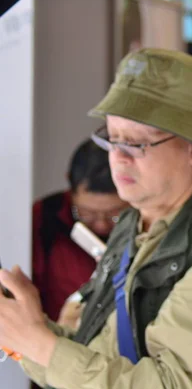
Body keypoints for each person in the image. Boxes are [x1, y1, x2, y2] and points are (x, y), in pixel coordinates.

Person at [0, 48, 192, 389]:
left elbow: (167, 384)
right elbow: (95, 352)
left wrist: (38, 343)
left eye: (137, 144)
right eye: (113, 138)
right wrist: (20, 328)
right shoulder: (136, 222)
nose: (118, 158)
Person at [32, 140, 128, 326]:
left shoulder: (147, 223)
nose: (101, 225)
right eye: (86, 213)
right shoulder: (44, 218)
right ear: (70, 186)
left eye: (114, 214)